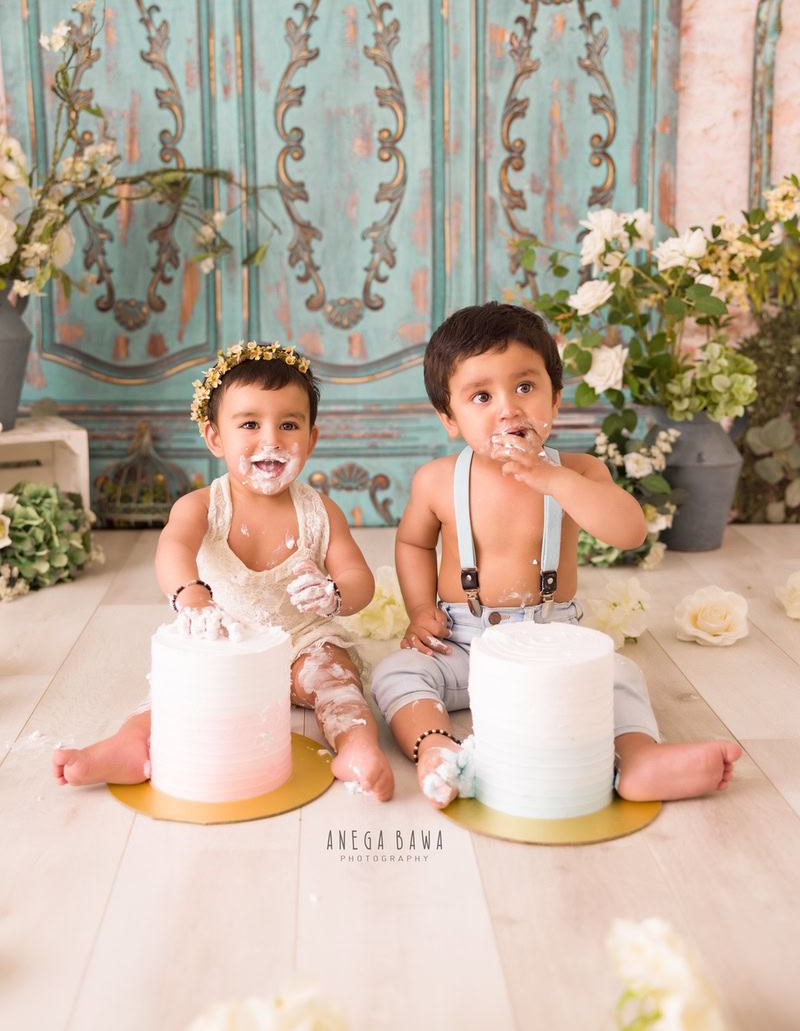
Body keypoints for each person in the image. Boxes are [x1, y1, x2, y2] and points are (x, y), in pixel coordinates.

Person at [370, 303, 741, 809]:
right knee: (396, 672)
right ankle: (435, 747)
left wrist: (552, 479)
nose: (508, 408)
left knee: (618, 675)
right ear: (450, 419)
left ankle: (638, 758)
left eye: (525, 387)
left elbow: (630, 531)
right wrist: (419, 610)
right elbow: (413, 543)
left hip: (550, 637)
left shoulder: (580, 473)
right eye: (482, 396)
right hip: (462, 640)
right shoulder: (436, 481)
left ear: (556, 398)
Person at [53, 341, 394, 801]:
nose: (271, 439)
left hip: (303, 642)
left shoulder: (321, 512)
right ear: (215, 437)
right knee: (180, 692)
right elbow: (172, 547)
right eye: (250, 424)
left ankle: (358, 748)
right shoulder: (202, 507)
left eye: (289, 424)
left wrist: (334, 594)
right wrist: (190, 593)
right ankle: (131, 743)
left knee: (337, 684)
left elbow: (360, 579)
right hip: (225, 635)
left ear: (312, 438)